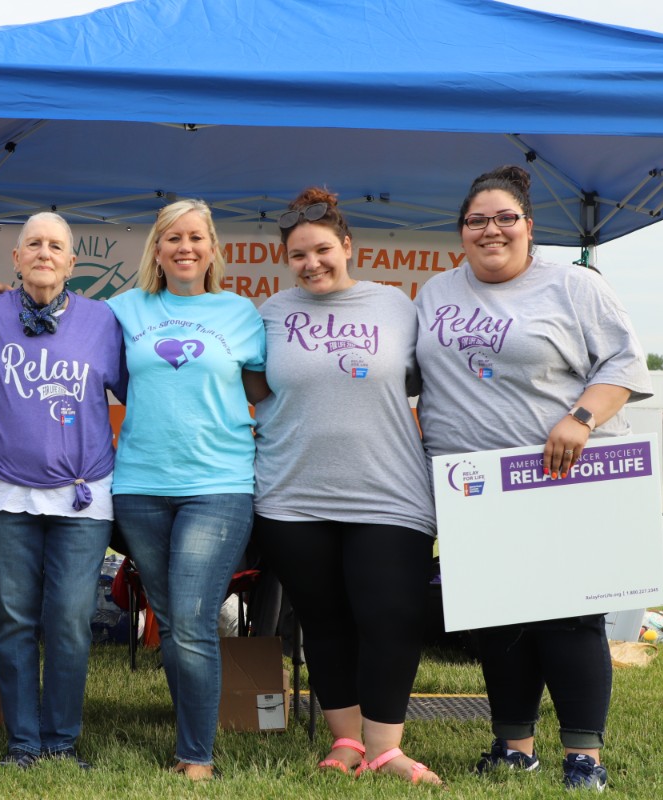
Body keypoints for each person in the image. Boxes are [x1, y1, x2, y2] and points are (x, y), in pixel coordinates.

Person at [415, 165, 652, 792]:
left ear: (528, 226)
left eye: (505, 218)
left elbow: (624, 363)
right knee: (499, 620)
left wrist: (581, 417)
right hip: (472, 488)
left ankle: (584, 757)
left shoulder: (574, 286)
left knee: (570, 618)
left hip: (556, 479)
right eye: (477, 221)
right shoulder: (436, 293)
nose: (491, 230)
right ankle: (514, 746)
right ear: (460, 230)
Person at [248, 188, 440, 784]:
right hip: (292, 494)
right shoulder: (269, 315)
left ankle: (387, 747)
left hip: (389, 492)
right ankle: (346, 742)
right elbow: (250, 390)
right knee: (323, 620)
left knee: (390, 616)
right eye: (299, 255)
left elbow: (440, 378)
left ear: (347, 246)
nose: (312, 264)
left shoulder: (397, 307)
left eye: (323, 250)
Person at [107, 199, 265, 781]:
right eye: (172, 237)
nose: (184, 247)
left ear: (212, 248)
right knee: (171, 620)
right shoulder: (124, 310)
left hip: (218, 485)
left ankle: (196, 756)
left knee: (195, 617)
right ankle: (191, 724)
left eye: (195, 237)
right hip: (140, 487)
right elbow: (60, 323)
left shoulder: (242, 314)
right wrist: (0, 290)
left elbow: (272, 391)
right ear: (156, 248)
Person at [0, 212, 124, 770]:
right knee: (14, 619)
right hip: (3, 493)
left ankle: (61, 740)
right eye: (33, 244)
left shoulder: (102, 321)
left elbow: (137, 389)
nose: (44, 253)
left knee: (72, 620)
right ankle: (23, 743)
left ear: (72, 262)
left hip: (83, 494)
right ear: (15, 257)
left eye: (56, 246)